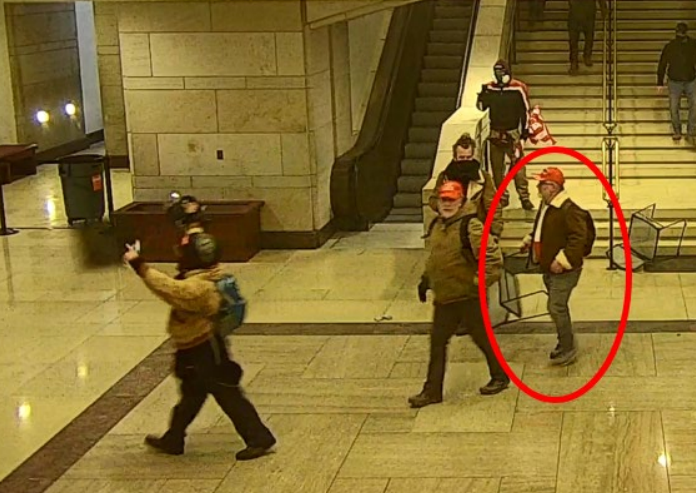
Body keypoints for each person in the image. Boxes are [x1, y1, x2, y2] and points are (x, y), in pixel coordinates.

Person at [123, 233, 276, 460]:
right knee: (192, 394)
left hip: (205, 349)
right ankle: (174, 438)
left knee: (227, 393)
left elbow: (170, 289)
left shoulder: (201, 287)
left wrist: (139, 265)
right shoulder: (206, 276)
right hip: (194, 347)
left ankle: (258, 438)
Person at [410, 181, 509, 409]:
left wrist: (478, 283)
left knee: (481, 338)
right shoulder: (438, 225)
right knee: (438, 342)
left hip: (468, 297)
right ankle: (432, 391)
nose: (446, 204)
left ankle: (500, 376)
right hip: (445, 297)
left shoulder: (471, 227)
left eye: (451, 200)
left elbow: (493, 259)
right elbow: (436, 257)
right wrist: (426, 280)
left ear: (461, 201)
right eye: (444, 200)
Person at [520, 168, 589, 366]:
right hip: (549, 267)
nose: (538, 187)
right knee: (557, 306)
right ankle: (563, 341)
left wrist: (563, 260)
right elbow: (541, 228)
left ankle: (568, 348)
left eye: (542, 184)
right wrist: (530, 240)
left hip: (564, 269)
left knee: (556, 306)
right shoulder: (547, 205)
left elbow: (578, 238)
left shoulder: (569, 209)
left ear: (553, 187)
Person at [477, 60, 535, 211]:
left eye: (502, 72)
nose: (499, 75)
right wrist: (483, 95)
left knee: (519, 167)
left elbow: (526, 112)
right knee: (497, 168)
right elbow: (481, 107)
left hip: (512, 132)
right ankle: (502, 197)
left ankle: (524, 197)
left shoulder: (518, 88)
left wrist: (524, 136)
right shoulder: (490, 87)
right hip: (495, 131)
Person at [427, 133, 503, 239]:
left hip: (476, 230)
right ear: (455, 157)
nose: (465, 161)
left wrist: (495, 232)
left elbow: (492, 205)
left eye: (468, 157)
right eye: (462, 157)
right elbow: (433, 200)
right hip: (451, 229)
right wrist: (446, 205)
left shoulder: (483, 177)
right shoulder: (445, 177)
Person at [657, 22, 696, 141]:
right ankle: (682, 131)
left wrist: (660, 82)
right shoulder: (672, 46)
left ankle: (687, 131)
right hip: (681, 80)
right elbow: (662, 64)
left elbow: (662, 64)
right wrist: (659, 82)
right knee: (675, 107)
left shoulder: (674, 45)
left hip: (687, 79)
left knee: (685, 107)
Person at [568, 0, 607, 75]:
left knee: (589, 36)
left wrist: (603, 8)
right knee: (573, 40)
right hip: (575, 13)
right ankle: (574, 62)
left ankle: (587, 55)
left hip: (588, 12)